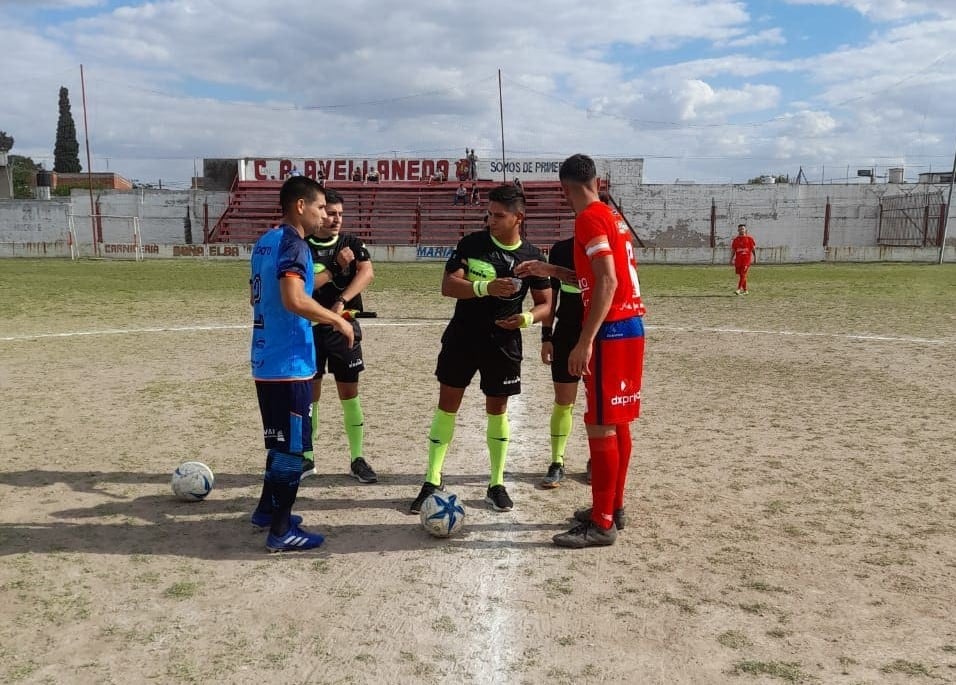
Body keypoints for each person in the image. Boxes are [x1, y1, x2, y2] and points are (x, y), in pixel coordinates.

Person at [410, 184, 552, 514]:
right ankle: (432, 478)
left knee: (497, 410)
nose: (491, 221)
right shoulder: (471, 244)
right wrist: (485, 286)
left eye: (499, 216)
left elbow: (546, 304)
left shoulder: (532, 256)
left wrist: (526, 319)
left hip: (503, 345)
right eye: (489, 214)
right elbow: (448, 286)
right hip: (462, 337)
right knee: (447, 406)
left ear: (519, 217)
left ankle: (496, 483)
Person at [249, 176, 354, 552]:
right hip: (288, 362)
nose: (325, 215)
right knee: (293, 447)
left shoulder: (266, 242)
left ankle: (265, 510)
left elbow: (259, 296)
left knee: (278, 442)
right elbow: (294, 299)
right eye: (321, 207)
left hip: (266, 357)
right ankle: (280, 531)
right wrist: (336, 318)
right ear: (300, 206)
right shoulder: (295, 243)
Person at [551, 154, 646, 549]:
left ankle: (602, 522)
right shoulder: (611, 216)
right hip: (629, 324)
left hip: (610, 329)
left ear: (564, 188)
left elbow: (606, 282)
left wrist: (584, 340)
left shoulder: (588, 218)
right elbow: (602, 275)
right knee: (616, 419)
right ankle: (613, 508)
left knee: (600, 423)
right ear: (597, 179)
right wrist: (551, 272)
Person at [303, 188, 377, 484]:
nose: (336, 219)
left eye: (340, 215)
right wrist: (335, 268)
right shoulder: (301, 246)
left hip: (343, 327)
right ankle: (306, 458)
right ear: (319, 213)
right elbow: (301, 288)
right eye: (331, 213)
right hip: (307, 330)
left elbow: (367, 273)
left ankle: (357, 458)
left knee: (350, 393)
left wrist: (342, 300)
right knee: (310, 395)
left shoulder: (351, 243)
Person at [515, 237, 584, 489]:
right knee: (563, 400)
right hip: (566, 333)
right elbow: (551, 296)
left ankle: (595, 459)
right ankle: (557, 461)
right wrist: (547, 336)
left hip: (600, 333)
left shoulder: (607, 248)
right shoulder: (562, 249)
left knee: (598, 402)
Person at [731, 223, 756, 294]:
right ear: (738, 230)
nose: (741, 230)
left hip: (746, 260)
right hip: (738, 260)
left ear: (745, 230)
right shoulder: (736, 240)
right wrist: (731, 259)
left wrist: (755, 258)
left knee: (743, 274)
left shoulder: (750, 239)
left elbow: (753, 249)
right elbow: (733, 250)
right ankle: (745, 290)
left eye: (742, 229)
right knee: (741, 275)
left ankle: (738, 289)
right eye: (740, 229)